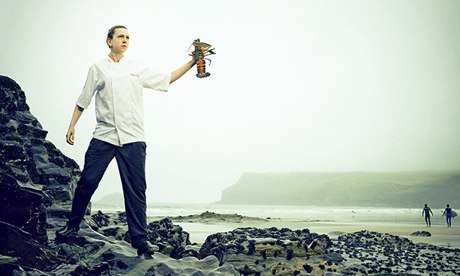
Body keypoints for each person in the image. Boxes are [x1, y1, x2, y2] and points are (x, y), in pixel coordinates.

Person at [56, 25, 196, 258]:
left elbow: (166, 79)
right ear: (109, 41)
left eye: (128, 37)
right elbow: (84, 99)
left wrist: (192, 62)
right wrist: (72, 126)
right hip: (104, 136)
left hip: (133, 137)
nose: (125, 40)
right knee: (87, 183)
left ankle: (140, 241)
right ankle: (72, 226)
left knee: (136, 191)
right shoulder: (97, 68)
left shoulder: (137, 68)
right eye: (120, 36)